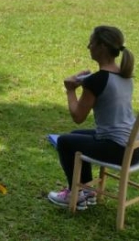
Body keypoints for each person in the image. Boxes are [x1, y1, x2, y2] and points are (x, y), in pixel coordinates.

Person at [47, 25, 137, 209]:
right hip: (134, 147)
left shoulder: (97, 80)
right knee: (75, 135)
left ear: (102, 46)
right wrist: (86, 83)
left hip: (119, 149)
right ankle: (87, 189)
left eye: (92, 42)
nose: (88, 46)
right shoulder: (125, 74)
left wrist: (70, 90)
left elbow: (78, 115)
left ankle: (76, 194)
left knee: (65, 142)